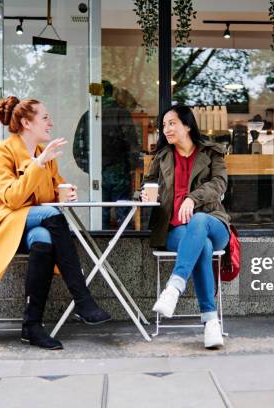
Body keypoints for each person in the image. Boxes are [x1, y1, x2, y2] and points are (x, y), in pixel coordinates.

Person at [0, 96, 111, 350]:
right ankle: (82, 299)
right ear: (27, 122)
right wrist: (38, 165)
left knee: (45, 239)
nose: (51, 122)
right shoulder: (0, 153)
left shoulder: (43, 154)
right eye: (45, 117)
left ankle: (32, 326)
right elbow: (13, 199)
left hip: (27, 226)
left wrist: (64, 192)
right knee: (52, 217)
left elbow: (48, 195)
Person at [142, 105, 230, 349]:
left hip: (213, 222)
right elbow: (147, 184)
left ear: (187, 125)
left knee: (199, 222)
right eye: (164, 125)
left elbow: (220, 183)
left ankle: (175, 286)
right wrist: (146, 194)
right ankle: (211, 322)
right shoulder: (161, 157)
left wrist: (192, 198)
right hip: (175, 230)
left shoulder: (212, 153)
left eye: (172, 123)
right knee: (202, 245)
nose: (166, 129)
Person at [72, 80, 140, 228]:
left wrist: (89, 168)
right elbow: (133, 146)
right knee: (124, 217)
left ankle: (98, 249)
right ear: (111, 93)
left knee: (98, 218)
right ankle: (126, 249)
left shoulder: (88, 116)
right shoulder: (121, 114)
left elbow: (77, 149)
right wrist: (130, 168)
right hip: (120, 173)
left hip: (97, 174)